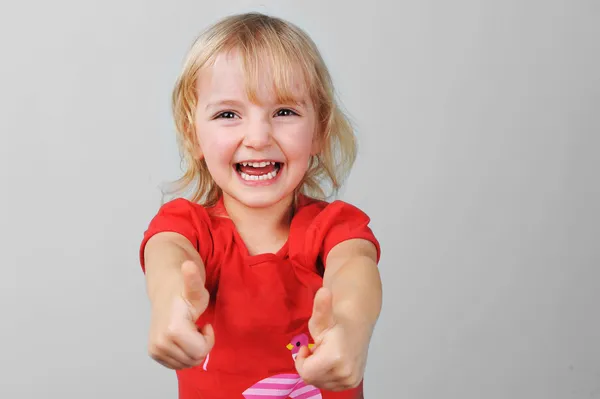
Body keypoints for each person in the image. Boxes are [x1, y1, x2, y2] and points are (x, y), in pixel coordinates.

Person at [139, 11, 382, 399]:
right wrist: (171, 305)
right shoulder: (186, 227)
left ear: (319, 130)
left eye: (284, 112)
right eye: (228, 114)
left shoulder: (335, 228)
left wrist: (350, 325)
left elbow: (355, 269)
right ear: (194, 135)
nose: (257, 136)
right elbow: (167, 257)